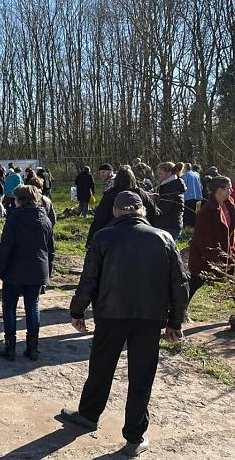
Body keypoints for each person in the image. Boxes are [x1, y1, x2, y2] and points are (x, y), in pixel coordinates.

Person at [62, 191, 189, 458]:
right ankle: (134, 436)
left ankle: (88, 415)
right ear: (142, 211)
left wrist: (77, 311)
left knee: (101, 366)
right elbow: (179, 284)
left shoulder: (104, 237)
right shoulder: (163, 238)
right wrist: (175, 322)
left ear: (117, 212)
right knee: (141, 377)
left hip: (110, 315)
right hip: (150, 319)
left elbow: (89, 280)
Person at [0, 185, 54, 361]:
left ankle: (10, 348)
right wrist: (48, 271)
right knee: (32, 307)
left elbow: (5, 248)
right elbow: (50, 248)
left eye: (15, 199)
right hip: (37, 270)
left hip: (15, 271)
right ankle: (33, 348)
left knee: (9, 307)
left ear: (20, 200)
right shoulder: (45, 219)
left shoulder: (14, 218)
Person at [187, 176, 234, 306]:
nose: (231, 190)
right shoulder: (206, 212)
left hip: (227, 255)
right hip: (206, 258)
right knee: (195, 282)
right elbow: (203, 240)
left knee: (233, 283)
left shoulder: (230, 206)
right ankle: (177, 313)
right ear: (220, 190)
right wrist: (215, 261)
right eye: (228, 187)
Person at [86, 167, 160, 247]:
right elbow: (155, 213)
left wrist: (90, 241)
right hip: (140, 233)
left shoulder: (110, 194)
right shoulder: (141, 194)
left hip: (114, 235)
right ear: (133, 179)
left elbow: (99, 218)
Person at [153, 162, 186, 240]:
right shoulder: (168, 186)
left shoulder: (172, 188)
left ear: (169, 173)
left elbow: (163, 208)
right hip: (167, 224)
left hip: (170, 226)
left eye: (160, 173)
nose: (158, 175)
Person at [182, 163, 204, 228]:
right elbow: (201, 186)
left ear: (185, 168)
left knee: (187, 212)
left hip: (187, 196)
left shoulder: (185, 175)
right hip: (196, 196)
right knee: (193, 211)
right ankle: (194, 225)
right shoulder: (196, 175)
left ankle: (188, 226)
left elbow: (183, 186)